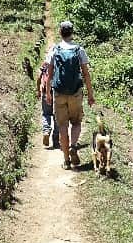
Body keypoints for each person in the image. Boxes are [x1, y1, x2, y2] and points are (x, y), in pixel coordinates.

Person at [45, 20, 96, 169]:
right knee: (76, 122)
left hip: (59, 92)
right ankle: (73, 145)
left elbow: (49, 74)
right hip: (75, 93)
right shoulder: (79, 50)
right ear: (72, 33)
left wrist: (48, 92)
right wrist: (90, 95)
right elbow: (86, 74)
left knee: (62, 126)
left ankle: (66, 160)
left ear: (60, 32)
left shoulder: (54, 49)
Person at [37, 61, 60, 149]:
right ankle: (56, 140)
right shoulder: (60, 63)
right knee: (57, 116)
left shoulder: (45, 64)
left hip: (45, 92)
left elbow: (39, 77)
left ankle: (46, 130)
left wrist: (38, 90)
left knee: (46, 114)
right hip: (57, 93)